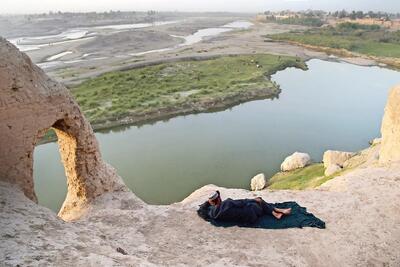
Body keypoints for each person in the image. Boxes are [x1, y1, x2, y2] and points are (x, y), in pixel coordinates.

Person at [200, 190, 291, 225]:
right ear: (219, 198)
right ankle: (276, 212)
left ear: (211, 202)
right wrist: (254, 200)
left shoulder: (211, 214)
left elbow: (201, 210)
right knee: (259, 200)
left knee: (256, 203)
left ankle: (276, 211)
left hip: (244, 218)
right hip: (251, 215)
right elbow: (242, 202)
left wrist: (208, 203)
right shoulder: (227, 203)